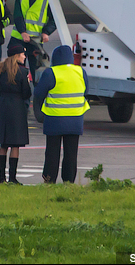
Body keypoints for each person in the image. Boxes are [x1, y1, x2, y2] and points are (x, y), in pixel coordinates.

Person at [33, 45, 89, 184]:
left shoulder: (51, 72)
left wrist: (40, 112)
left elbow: (38, 94)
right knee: (71, 153)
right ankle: (69, 181)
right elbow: (86, 91)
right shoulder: (81, 72)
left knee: (52, 152)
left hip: (54, 119)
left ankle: (49, 179)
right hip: (75, 119)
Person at [0, 44, 33, 184]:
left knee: (3, 144)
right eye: (22, 54)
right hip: (17, 108)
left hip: (3, 106)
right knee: (15, 144)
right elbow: (26, 93)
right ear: (17, 56)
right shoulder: (22, 72)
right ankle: (12, 178)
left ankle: (1, 178)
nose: (24, 56)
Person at [7, 0, 56, 84]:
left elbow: (54, 19)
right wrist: (23, 32)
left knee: (37, 72)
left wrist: (46, 32)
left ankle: (38, 98)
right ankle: (20, 97)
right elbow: (17, 16)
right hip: (19, 38)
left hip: (36, 40)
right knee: (15, 72)